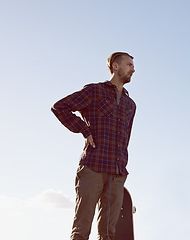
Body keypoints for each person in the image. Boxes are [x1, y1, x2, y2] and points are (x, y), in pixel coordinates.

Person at [51, 52, 136, 240]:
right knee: (81, 231)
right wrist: (84, 129)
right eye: (129, 64)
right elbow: (60, 107)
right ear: (115, 66)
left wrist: (123, 166)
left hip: (117, 171)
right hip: (93, 166)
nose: (133, 69)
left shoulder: (131, 104)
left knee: (109, 234)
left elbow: (126, 138)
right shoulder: (95, 91)